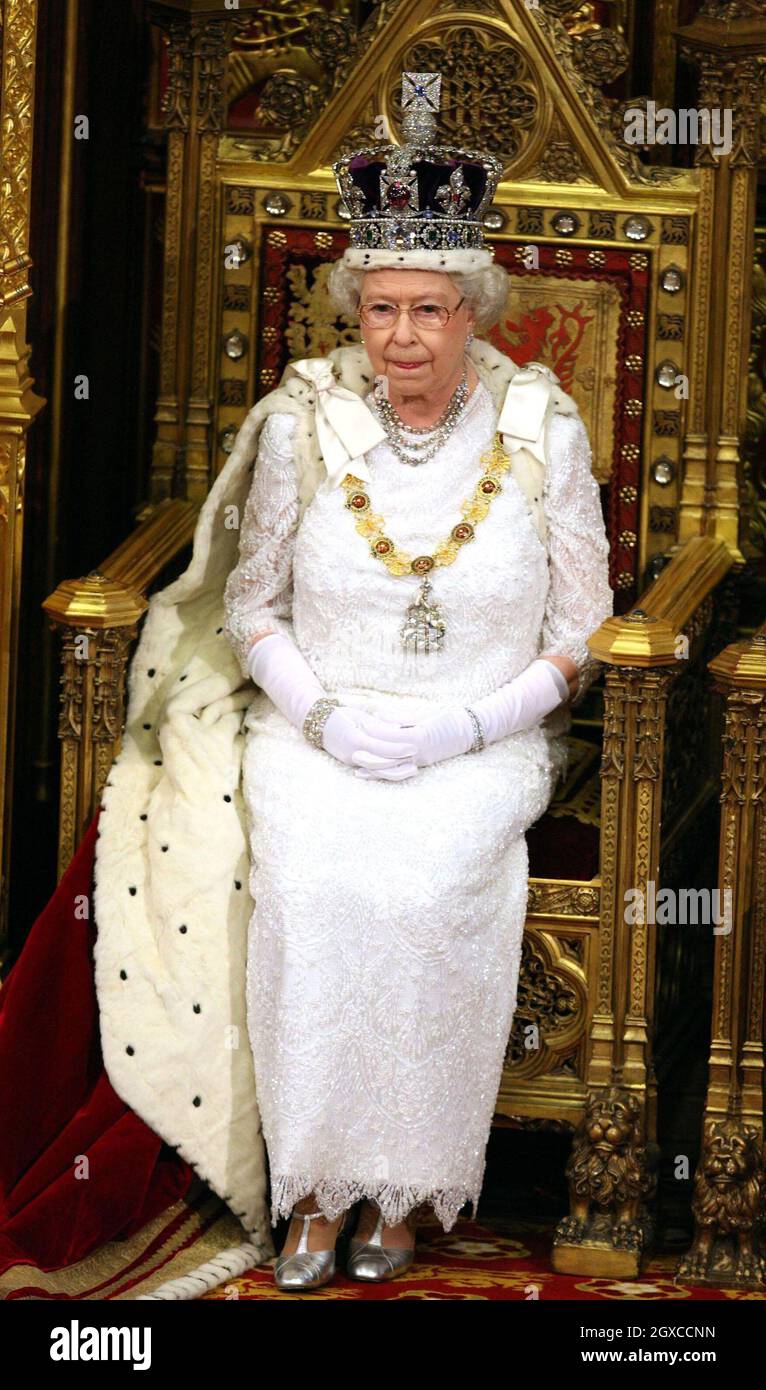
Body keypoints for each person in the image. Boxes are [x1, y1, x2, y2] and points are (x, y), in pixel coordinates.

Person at [217, 71, 614, 1290]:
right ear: (355, 311)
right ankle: (315, 1191)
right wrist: (323, 715)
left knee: (428, 883)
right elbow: (252, 602)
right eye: (380, 309)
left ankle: (399, 1189)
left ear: (472, 311)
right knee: (318, 881)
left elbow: (587, 622)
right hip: (318, 734)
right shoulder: (300, 421)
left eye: (428, 311)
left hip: (481, 741)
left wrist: (468, 725)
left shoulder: (541, 425)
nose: (401, 337)